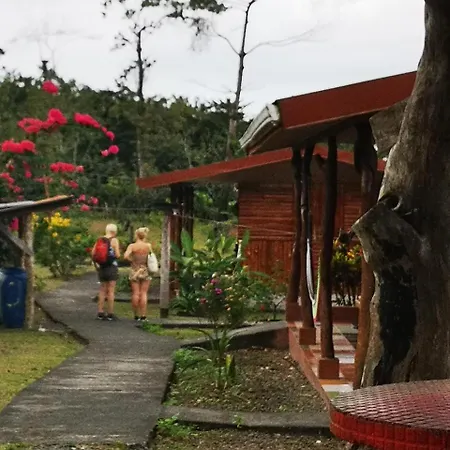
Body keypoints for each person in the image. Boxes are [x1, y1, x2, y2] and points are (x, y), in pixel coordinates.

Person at [92, 223, 120, 321]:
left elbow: (93, 253)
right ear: (114, 231)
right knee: (111, 290)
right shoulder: (114, 240)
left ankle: (100, 313)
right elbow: (118, 255)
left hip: (102, 267)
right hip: (111, 267)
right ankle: (110, 314)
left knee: (102, 290)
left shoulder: (99, 239)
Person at [124, 227, 152, 322]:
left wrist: (132, 260)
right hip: (145, 270)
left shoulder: (132, 246)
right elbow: (151, 257)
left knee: (136, 293)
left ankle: (136, 315)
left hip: (134, 270)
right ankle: (143, 315)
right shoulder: (148, 246)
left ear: (136, 235)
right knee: (144, 293)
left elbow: (125, 256)